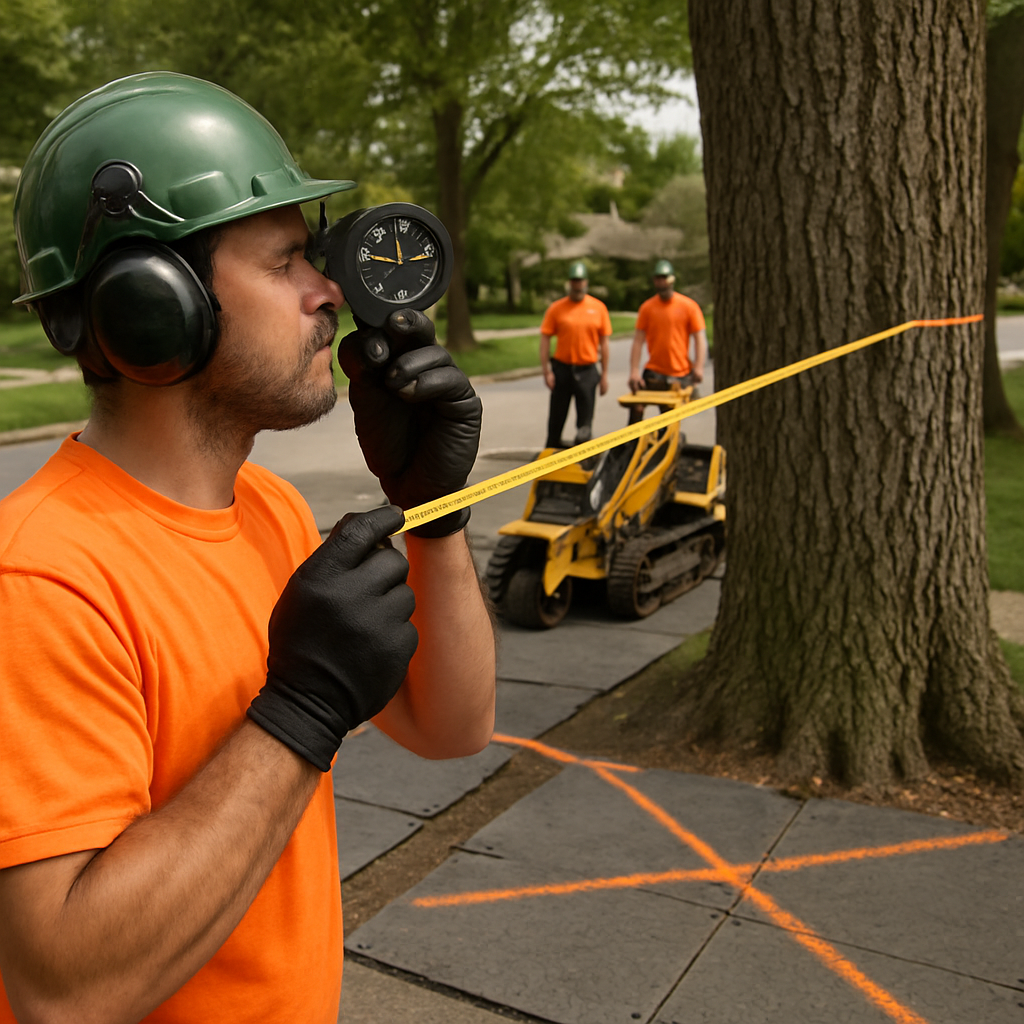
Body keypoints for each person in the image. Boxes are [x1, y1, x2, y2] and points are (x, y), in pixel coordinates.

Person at [0, 72, 495, 1024]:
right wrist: (300, 712)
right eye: (285, 262)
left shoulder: (266, 508)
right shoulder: (44, 578)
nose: (330, 292)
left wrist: (435, 515)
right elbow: (65, 991)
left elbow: (451, 728)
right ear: (155, 305)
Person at [539, 261, 612, 447]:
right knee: (556, 419)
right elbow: (545, 339)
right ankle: (550, 460)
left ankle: (582, 462)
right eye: (574, 281)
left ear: (586, 282)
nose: (577, 285)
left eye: (580, 281)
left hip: (587, 370)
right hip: (562, 369)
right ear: (569, 283)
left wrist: (604, 376)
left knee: (585, 425)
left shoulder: (598, 308)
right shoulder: (557, 308)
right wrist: (547, 371)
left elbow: (604, 343)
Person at [628, 258, 708, 423]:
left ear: (672, 279)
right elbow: (638, 341)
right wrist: (634, 371)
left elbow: (700, 338)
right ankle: (631, 445)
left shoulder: (688, 306)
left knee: (669, 418)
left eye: (664, 278)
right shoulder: (647, 308)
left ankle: (667, 444)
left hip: (679, 373)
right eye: (658, 279)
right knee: (636, 406)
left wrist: (699, 367)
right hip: (654, 371)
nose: (661, 282)